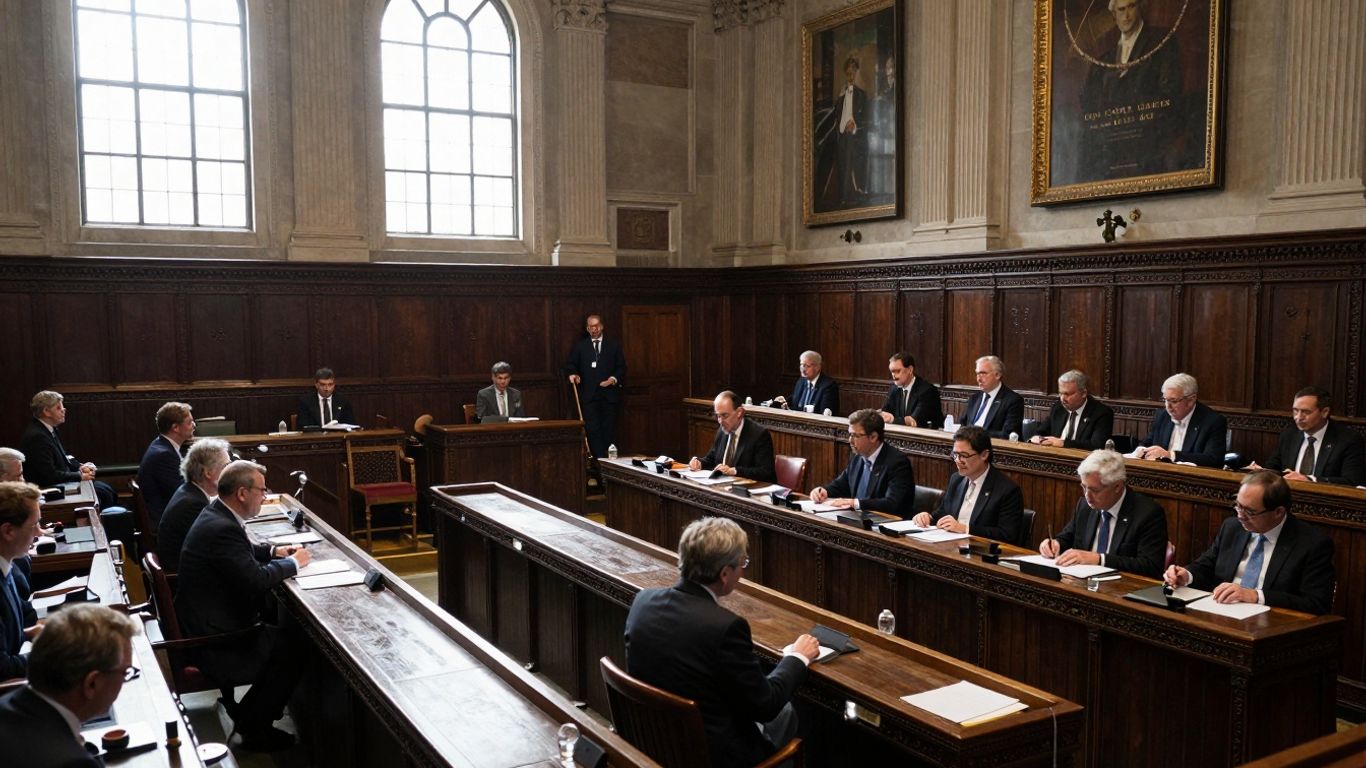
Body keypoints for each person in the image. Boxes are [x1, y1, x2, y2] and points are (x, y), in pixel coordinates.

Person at [624, 517, 819, 768]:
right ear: (725, 574)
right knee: (786, 713)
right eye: (742, 564)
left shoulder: (643, 601)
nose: (743, 571)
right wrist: (797, 657)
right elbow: (766, 705)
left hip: (653, 741)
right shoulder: (725, 627)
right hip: (709, 756)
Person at [175, 460, 311, 751]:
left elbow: (242, 552)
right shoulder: (221, 527)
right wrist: (292, 564)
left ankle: (250, 718)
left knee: (286, 641)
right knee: (294, 649)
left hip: (208, 619)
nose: (264, 496)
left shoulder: (216, 513)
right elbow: (255, 581)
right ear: (241, 493)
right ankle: (252, 729)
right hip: (217, 637)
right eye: (261, 490)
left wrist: (273, 551)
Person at [1164, 471, 1335, 615]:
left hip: (1271, 624)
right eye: (1238, 506)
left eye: (1250, 512)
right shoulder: (1232, 527)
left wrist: (1255, 595)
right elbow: (1207, 565)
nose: (1240, 516)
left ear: (1278, 512)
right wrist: (1185, 575)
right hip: (1221, 613)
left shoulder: (1312, 544)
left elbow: (1315, 603)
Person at [0, 603, 139, 768]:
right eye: (125, 673)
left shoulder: (7, 706)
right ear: (92, 684)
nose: (124, 681)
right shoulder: (72, 763)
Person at [1041, 449, 1168, 578]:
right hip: (1081, 582)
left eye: (1094, 490)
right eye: (1084, 487)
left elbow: (1150, 566)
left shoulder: (1148, 513)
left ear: (1117, 487)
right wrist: (1055, 544)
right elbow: (1067, 537)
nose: (1087, 496)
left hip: (1121, 589)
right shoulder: (1085, 506)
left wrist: (1100, 559)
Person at [912, 426, 1023, 544]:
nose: (958, 460)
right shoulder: (956, 479)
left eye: (964, 455)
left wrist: (966, 529)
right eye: (955, 454)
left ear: (984, 455)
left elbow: (1007, 535)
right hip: (951, 547)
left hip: (981, 554)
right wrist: (928, 518)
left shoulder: (1007, 490)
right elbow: (943, 512)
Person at [810, 409, 915, 519]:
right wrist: (823, 491)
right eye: (850, 434)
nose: (850, 440)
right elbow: (842, 484)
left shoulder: (897, 462)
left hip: (887, 527)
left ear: (873, 437)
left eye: (855, 435)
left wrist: (855, 504)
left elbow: (892, 504)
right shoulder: (858, 457)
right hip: (859, 522)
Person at [1249, 387, 1365, 487]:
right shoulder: (1289, 435)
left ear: (1324, 412)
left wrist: (1310, 480)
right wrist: (1262, 472)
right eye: (1295, 411)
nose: (1298, 418)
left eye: (1306, 412)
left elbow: (1352, 481)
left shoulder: (1348, 440)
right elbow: (1273, 467)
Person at [18, 391, 116, 509]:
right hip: (50, 491)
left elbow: (63, 458)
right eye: (59, 407)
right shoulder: (37, 437)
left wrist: (79, 467)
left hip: (61, 484)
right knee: (102, 493)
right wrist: (79, 476)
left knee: (105, 489)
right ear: (46, 411)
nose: (64, 410)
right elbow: (48, 475)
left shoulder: (49, 430)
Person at [156, 438, 231, 573]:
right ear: (208, 473)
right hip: (187, 580)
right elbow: (221, 549)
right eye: (226, 467)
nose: (231, 472)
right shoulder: (193, 505)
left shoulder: (190, 491)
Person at [563, 314, 627, 459]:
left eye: (597, 326)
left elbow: (621, 367)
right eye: (591, 326)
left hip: (609, 396)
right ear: (587, 328)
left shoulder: (613, 345)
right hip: (589, 396)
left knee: (608, 429)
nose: (594, 329)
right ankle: (599, 461)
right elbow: (570, 364)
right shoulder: (581, 346)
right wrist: (573, 374)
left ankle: (609, 462)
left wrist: (612, 379)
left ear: (602, 326)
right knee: (592, 429)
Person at [1135, 373, 1227, 468]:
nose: (1168, 407)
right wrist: (1142, 450)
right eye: (1165, 400)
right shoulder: (1162, 415)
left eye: (1174, 401)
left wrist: (1171, 455)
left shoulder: (1213, 421)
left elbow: (1214, 459)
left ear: (1191, 400)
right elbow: (1147, 442)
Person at [1, 482, 44, 680]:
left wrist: (27, 633)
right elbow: (3, 668)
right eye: (34, 525)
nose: (40, 533)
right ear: (8, 531)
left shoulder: (5, 566)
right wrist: (61, 655)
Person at [689, 391, 776, 483]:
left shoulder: (759, 434)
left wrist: (734, 471)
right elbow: (712, 459)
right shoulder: (722, 431)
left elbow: (766, 472)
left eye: (724, 415)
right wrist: (699, 463)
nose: (720, 421)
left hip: (749, 491)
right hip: (724, 487)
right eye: (718, 416)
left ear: (739, 412)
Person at [136, 401, 196, 528]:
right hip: (165, 520)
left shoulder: (161, 445)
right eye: (189, 422)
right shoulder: (164, 455)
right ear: (175, 428)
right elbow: (182, 493)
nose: (194, 425)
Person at [1026, 370, 1115, 450]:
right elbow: (1040, 432)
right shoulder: (1058, 408)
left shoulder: (1101, 413)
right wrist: (1037, 438)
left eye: (1067, 394)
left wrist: (1063, 443)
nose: (1062, 399)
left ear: (1083, 393)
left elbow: (1097, 445)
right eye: (1060, 393)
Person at [960, 356, 1024, 439]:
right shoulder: (974, 398)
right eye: (977, 374)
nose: (978, 379)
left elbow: (1008, 435)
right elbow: (963, 425)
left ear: (997, 375)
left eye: (983, 373)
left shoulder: (1013, 400)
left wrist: (976, 434)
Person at [879, 352, 942, 429]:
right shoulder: (894, 389)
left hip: (925, 437)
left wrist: (892, 420)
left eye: (898, 371)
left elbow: (914, 421)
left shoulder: (927, 391)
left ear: (910, 370)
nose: (894, 375)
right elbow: (884, 413)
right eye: (892, 371)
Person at [785, 350, 839, 415]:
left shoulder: (829, 385)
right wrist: (780, 403)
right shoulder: (801, 381)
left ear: (818, 367)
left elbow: (825, 413)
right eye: (801, 365)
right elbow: (794, 401)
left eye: (807, 366)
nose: (803, 369)